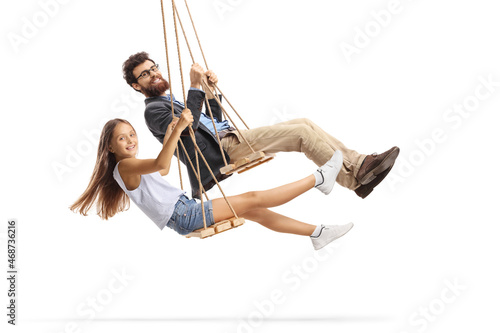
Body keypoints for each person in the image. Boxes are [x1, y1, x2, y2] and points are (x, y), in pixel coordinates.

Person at [122, 52, 400, 199]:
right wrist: (194, 86)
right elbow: (189, 131)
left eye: (153, 67)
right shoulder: (153, 112)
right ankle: (353, 179)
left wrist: (208, 90)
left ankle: (359, 165)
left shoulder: (171, 100)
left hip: (228, 136)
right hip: (220, 152)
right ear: (137, 86)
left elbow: (217, 122)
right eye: (145, 75)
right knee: (301, 133)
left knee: (303, 122)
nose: (153, 74)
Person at [70, 113, 353, 250]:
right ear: (110, 147)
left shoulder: (127, 168)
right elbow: (162, 164)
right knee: (254, 198)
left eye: (132, 134)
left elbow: (162, 172)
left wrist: (170, 136)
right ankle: (319, 178)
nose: (131, 140)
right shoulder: (126, 166)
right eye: (122, 138)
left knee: (256, 211)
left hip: (185, 212)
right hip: (186, 214)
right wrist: (179, 128)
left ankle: (317, 234)